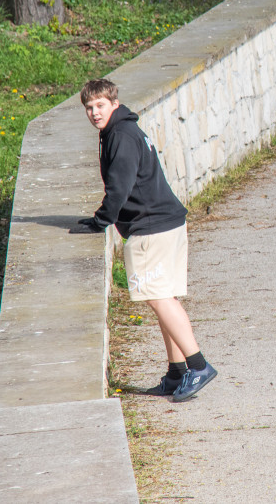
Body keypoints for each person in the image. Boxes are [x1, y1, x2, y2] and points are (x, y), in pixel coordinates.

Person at [72, 78, 216, 400]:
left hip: (151, 228)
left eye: (100, 105)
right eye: (89, 107)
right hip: (166, 223)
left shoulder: (121, 136)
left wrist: (100, 221)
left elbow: (119, 187)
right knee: (163, 296)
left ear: (114, 103)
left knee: (159, 298)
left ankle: (198, 366)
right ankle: (177, 372)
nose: (94, 113)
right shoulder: (123, 130)